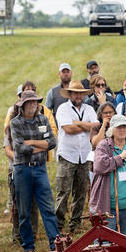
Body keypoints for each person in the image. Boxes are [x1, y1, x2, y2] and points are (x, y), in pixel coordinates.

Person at [10, 91, 60, 252]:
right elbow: (20, 148)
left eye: (35, 102)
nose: (33, 105)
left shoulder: (43, 119)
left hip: (40, 168)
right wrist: (41, 145)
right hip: (22, 169)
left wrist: (31, 142)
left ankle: (55, 243)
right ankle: (29, 247)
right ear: (23, 105)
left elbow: (52, 142)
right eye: (30, 103)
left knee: (48, 207)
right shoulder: (15, 123)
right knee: (24, 210)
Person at [54, 80, 99, 234]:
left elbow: (95, 126)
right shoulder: (63, 108)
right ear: (70, 94)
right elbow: (68, 129)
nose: (78, 95)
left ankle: (76, 224)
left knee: (80, 191)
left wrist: (78, 123)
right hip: (67, 154)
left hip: (84, 155)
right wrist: (85, 125)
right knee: (63, 191)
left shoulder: (89, 108)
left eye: (80, 93)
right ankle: (58, 225)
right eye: (75, 93)